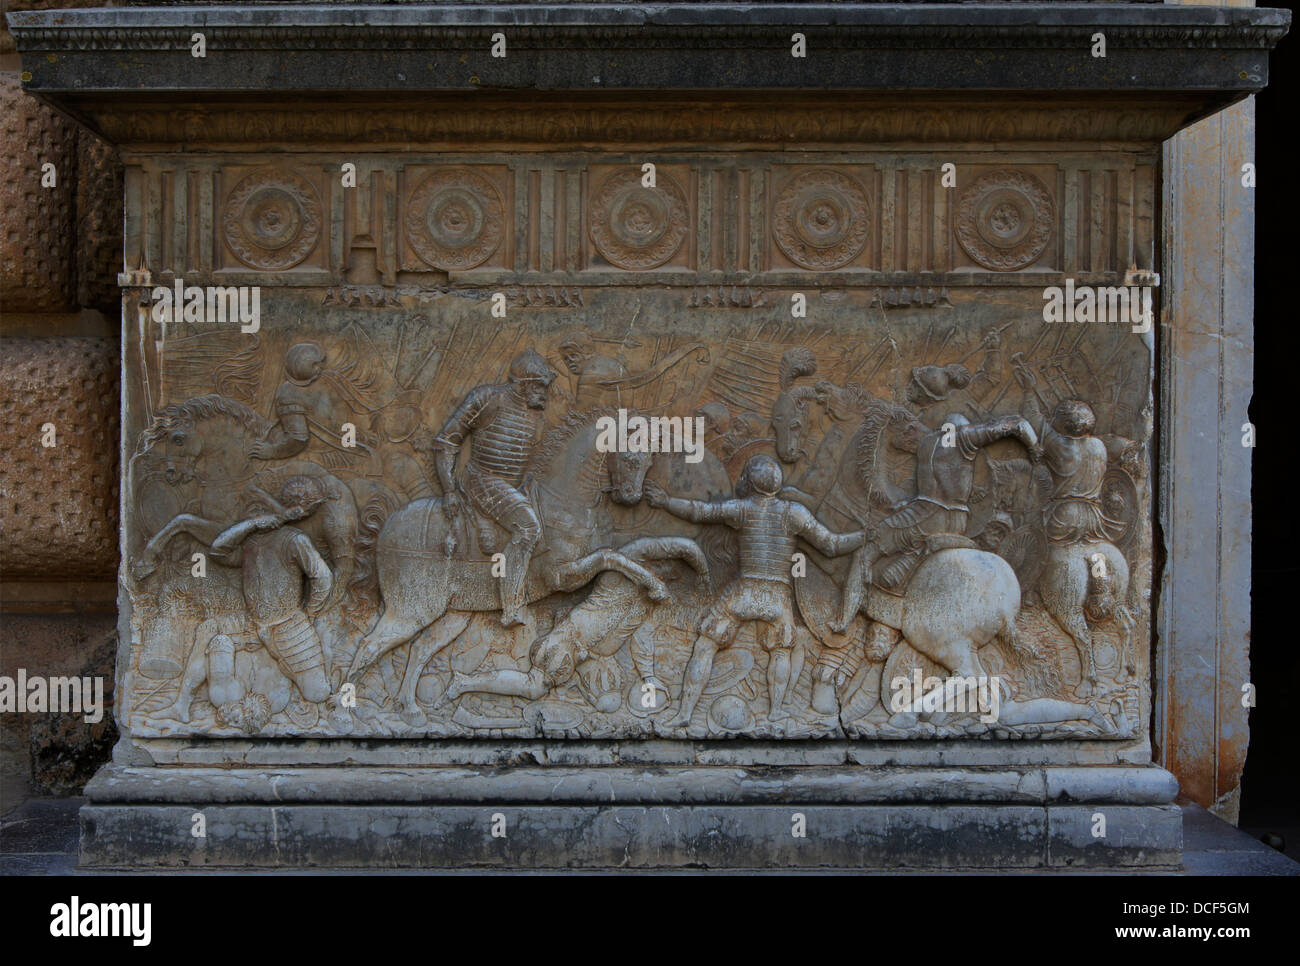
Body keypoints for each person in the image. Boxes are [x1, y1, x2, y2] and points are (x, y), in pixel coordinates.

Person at [645, 455, 868, 726]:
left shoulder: (743, 508)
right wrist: (863, 536)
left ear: (749, 482)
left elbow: (699, 511)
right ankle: (775, 713)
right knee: (780, 652)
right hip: (776, 596)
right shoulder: (793, 513)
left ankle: (684, 714)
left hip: (744, 591)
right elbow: (832, 545)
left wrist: (665, 501)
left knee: (705, 647)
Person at [832, 411, 1039, 631]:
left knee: (864, 553)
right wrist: (1035, 448)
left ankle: (844, 619)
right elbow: (1017, 424)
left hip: (926, 516)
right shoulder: (965, 438)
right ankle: (875, 600)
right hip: (952, 520)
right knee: (882, 548)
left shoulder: (927, 442)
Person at [433, 349, 555, 626]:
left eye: (545, 387)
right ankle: (511, 607)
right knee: (528, 527)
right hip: (481, 481)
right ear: (521, 384)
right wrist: (449, 489)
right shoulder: (486, 399)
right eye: (538, 386)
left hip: (513, 487)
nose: (544, 394)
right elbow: (446, 442)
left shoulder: (536, 414)